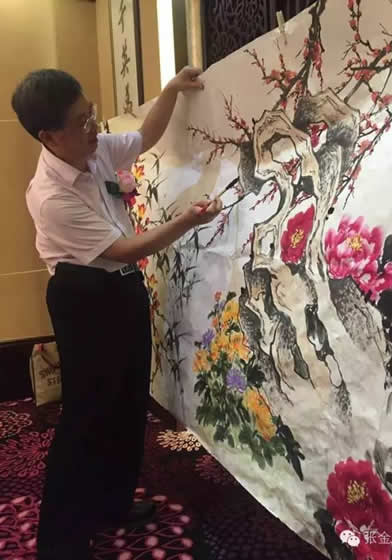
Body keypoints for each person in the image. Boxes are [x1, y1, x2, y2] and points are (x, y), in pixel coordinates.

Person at [11, 66, 222, 560]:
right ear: (48, 136)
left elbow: (145, 137)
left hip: (122, 288)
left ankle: (113, 503)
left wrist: (171, 89)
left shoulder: (94, 148)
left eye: (91, 114)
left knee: (129, 401)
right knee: (87, 415)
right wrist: (187, 221)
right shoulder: (50, 196)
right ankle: (61, 541)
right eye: (81, 121)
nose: (94, 127)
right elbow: (125, 248)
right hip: (82, 298)